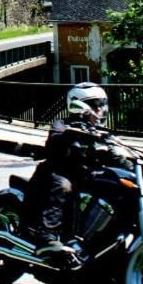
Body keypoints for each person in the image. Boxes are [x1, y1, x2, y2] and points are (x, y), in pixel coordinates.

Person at [28, 81, 111, 259]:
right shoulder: (63, 125)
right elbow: (54, 143)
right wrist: (71, 134)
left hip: (85, 177)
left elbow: (116, 155)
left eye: (102, 105)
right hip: (55, 174)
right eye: (96, 106)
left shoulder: (102, 133)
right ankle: (47, 237)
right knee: (63, 185)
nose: (101, 110)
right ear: (80, 106)